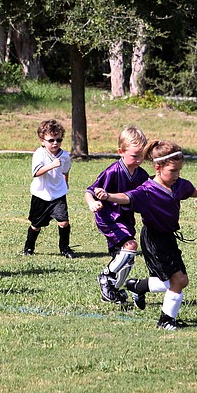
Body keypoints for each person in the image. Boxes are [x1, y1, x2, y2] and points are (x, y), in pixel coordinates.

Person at [93, 140, 197, 330]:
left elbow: (191, 191)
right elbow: (127, 197)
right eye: (172, 171)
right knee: (177, 281)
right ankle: (165, 321)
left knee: (180, 281)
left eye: (179, 170)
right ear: (157, 167)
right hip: (153, 240)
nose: (177, 175)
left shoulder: (178, 184)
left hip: (168, 238)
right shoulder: (147, 191)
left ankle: (137, 286)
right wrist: (108, 196)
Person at [85, 126, 149, 304]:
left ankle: (111, 291)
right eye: (135, 156)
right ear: (121, 152)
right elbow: (89, 191)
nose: (139, 160)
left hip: (126, 219)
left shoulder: (141, 174)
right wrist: (93, 202)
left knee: (126, 259)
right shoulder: (113, 171)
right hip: (109, 218)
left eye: (142, 156)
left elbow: (147, 193)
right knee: (130, 246)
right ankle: (106, 277)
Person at [22, 119, 75, 258]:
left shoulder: (64, 155)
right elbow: (36, 173)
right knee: (36, 225)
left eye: (58, 140)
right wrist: (52, 165)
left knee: (63, 222)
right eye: (51, 140)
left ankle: (65, 248)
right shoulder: (39, 154)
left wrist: (65, 183)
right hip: (41, 195)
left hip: (58, 195)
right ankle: (28, 247)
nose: (55, 143)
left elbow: (65, 170)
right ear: (42, 140)